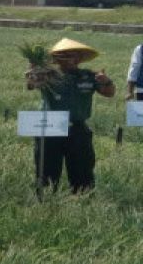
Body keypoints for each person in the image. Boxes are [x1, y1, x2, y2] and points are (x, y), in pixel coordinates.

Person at [30, 38, 114, 194]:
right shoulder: (48, 75)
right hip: (50, 128)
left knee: (82, 171)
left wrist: (106, 81)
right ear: (56, 59)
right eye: (64, 55)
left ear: (79, 58)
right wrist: (33, 71)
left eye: (73, 55)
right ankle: (45, 201)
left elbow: (109, 93)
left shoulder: (89, 76)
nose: (69, 59)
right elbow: (31, 84)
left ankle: (81, 200)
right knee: (46, 171)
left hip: (77, 129)